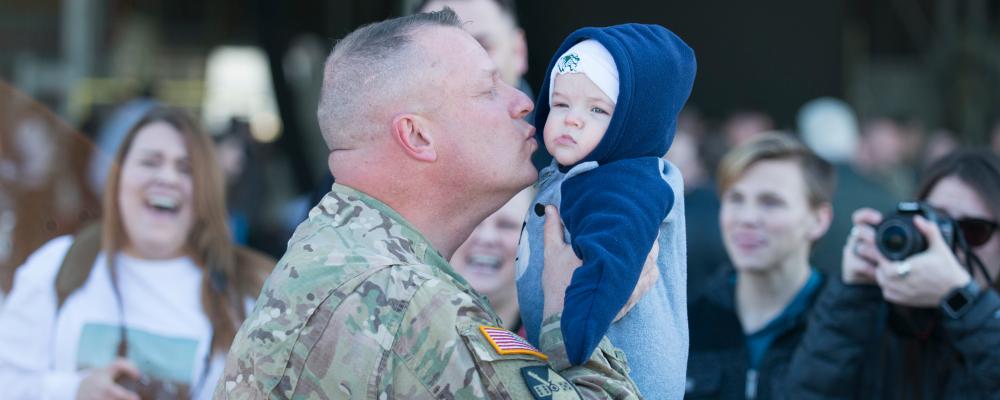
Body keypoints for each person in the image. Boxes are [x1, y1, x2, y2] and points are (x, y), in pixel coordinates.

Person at [216, 9, 646, 399]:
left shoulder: (339, 251)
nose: (525, 104)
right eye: (488, 89)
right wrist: (574, 314)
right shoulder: (405, 298)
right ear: (418, 136)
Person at [0, 107, 274, 400]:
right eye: (150, 162)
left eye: (186, 168)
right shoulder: (57, 266)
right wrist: (75, 390)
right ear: (117, 177)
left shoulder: (248, 291)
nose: (167, 178)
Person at [515, 24, 696, 397]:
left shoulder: (623, 184)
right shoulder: (583, 172)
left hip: (628, 378)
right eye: (561, 103)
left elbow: (610, 260)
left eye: (597, 109)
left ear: (634, 122)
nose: (572, 118)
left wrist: (566, 337)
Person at [788, 150, 1000, 398]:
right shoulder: (881, 315)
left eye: (972, 231)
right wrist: (853, 293)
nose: (948, 246)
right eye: (937, 225)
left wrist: (963, 301)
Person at [685, 133, 834, 399]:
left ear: (818, 220)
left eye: (771, 202)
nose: (747, 218)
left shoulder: (848, 323)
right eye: (735, 199)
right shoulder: (688, 322)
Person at [450, 188, 533, 334]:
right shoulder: (405, 331)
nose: (487, 238)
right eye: (473, 222)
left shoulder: (561, 342)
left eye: (506, 225)